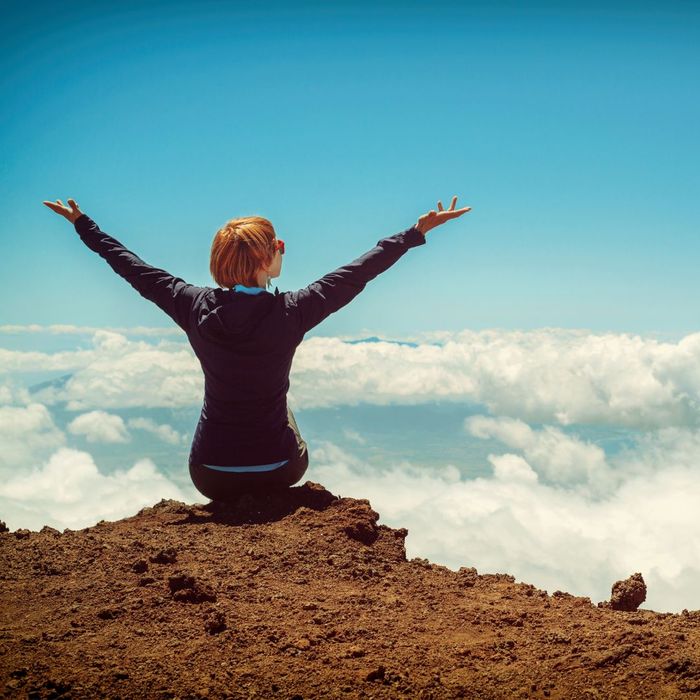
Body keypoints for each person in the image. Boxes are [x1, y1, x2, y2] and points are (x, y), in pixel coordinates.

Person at [43, 196, 471, 502]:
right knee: (280, 403)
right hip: (279, 471)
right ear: (267, 260)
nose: (282, 250)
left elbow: (129, 265)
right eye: (277, 246)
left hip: (210, 475)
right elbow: (359, 272)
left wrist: (84, 224)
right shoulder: (295, 311)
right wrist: (415, 233)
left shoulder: (189, 304)